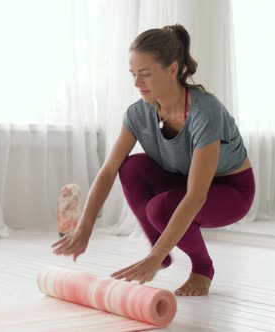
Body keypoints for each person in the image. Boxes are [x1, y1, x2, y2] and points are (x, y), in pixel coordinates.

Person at [51, 24, 255, 296]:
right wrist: (85, 228)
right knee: (132, 167)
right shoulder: (138, 113)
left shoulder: (205, 112)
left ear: (172, 69)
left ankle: (202, 269)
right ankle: (162, 251)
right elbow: (110, 169)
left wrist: (154, 257)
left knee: (161, 209)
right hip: (182, 177)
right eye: (133, 74)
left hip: (230, 190)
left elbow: (195, 196)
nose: (137, 83)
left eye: (145, 74)